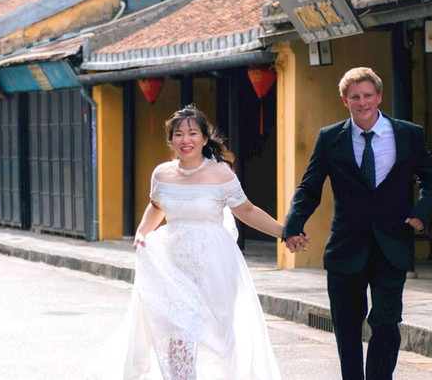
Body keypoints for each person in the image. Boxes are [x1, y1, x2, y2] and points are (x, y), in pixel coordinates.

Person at [93, 105, 288, 380]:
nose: (186, 140)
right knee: (178, 329)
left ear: (204, 139)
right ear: (170, 140)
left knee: (218, 334)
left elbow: (247, 211)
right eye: (178, 134)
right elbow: (156, 206)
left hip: (215, 265)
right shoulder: (161, 174)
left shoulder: (222, 175)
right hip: (173, 266)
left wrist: (285, 232)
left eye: (192, 133)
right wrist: (141, 232)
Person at [282, 67, 432, 380]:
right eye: (355, 96)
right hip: (346, 247)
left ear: (379, 97)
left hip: (392, 243)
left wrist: (421, 212)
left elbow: (431, 176)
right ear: (345, 101)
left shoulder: (408, 133)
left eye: (368, 95)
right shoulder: (330, 138)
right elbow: (310, 187)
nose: (363, 102)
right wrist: (293, 225)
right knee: (347, 329)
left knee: (385, 322)